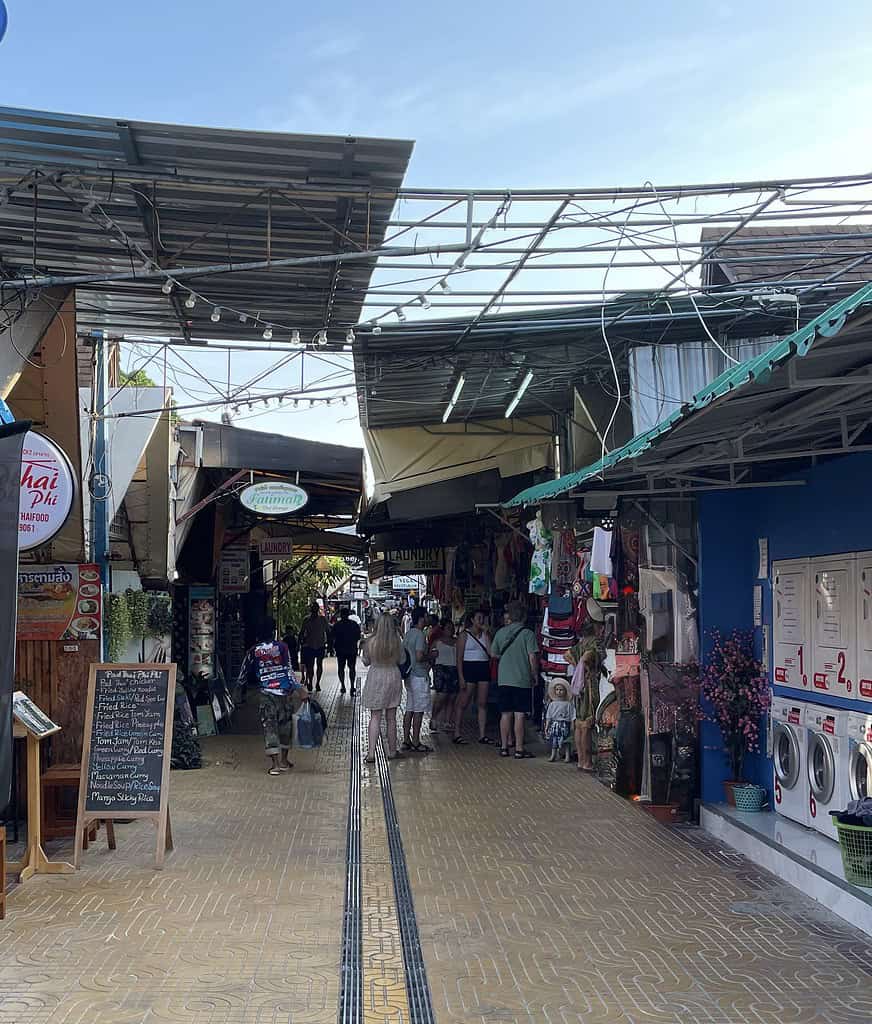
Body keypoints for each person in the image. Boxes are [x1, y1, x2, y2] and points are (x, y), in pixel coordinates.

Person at [238, 618, 307, 775]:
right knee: (285, 727)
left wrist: (238, 691)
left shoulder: (253, 650)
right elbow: (288, 670)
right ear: (273, 631)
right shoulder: (282, 647)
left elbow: (243, 672)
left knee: (269, 727)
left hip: (266, 693)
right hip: (284, 693)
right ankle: (284, 760)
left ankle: (275, 765)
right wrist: (299, 688)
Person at [491, 600, 539, 759]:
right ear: (524, 616)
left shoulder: (500, 633)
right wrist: (534, 674)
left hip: (504, 679)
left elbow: (493, 654)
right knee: (519, 715)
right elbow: (532, 657)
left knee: (505, 714)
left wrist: (506, 659)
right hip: (522, 679)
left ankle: (504, 747)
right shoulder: (528, 634)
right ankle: (519, 749)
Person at [361, 613, 405, 762]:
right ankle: (392, 751)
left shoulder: (370, 641)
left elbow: (366, 662)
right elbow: (402, 659)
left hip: (376, 675)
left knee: (375, 716)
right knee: (391, 717)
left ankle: (371, 753)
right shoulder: (397, 641)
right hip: (393, 675)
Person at [452, 610, 492, 745]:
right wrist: (461, 676)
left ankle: (482, 735)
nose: (481, 620)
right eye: (478, 617)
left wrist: (486, 634)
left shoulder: (485, 634)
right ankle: (457, 732)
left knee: (482, 702)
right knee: (463, 702)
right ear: (472, 620)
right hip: (468, 668)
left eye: (482, 618)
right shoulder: (464, 635)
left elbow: (491, 652)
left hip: (483, 668)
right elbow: (459, 658)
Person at [402, 606, 433, 752]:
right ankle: (416, 741)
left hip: (409, 675)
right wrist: (431, 656)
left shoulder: (408, 634)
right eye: (426, 616)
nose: (428, 618)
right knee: (419, 710)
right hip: (419, 675)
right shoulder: (420, 635)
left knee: (409, 708)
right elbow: (420, 656)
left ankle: (406, 740)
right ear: (421, 618)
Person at [430, 617, 458, 732]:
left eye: (452, 628)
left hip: (454, 669)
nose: (450, 630)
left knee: (452, 697)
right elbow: (430, 654)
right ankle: (434, 718)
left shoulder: (457, 641)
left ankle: (447, 721)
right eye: (448, 628)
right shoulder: (437, 642)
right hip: (441, 670)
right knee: (442, 696)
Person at [299, 602, 329, 691]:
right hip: (310, 645)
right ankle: (311, 682)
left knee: (318, 665)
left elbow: (328, 631)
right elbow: (302, 632)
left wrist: (329, 644)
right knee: (310, 665)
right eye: (313, 608)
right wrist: (300, 643)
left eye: (315, 608)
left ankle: (317, 683)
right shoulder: (306, 620)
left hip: (319, 645)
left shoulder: (322, 619)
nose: (314, 610)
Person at [333, 606, 362, 695]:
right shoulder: (354, 624)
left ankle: (342, 685)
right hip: (351, 649)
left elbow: (332, 637)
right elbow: (358, 636)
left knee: (341, 668)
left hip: (340, 650)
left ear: (341, 615)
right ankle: (352, 686)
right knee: (352, 668)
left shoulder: (337, 625)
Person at [545, 680, 576, 763]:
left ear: (565, 691)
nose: (559, 692)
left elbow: (572, 715)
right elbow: (549, 715)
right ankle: (553, 754)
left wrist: (572, 725)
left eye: (561, 690)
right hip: (555, 724)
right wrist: (547, 726)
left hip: (564, 724)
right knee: (554, 740)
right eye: (557, 689)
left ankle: (567, 755)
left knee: (566, 740)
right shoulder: (552, 704)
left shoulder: (568, 704)